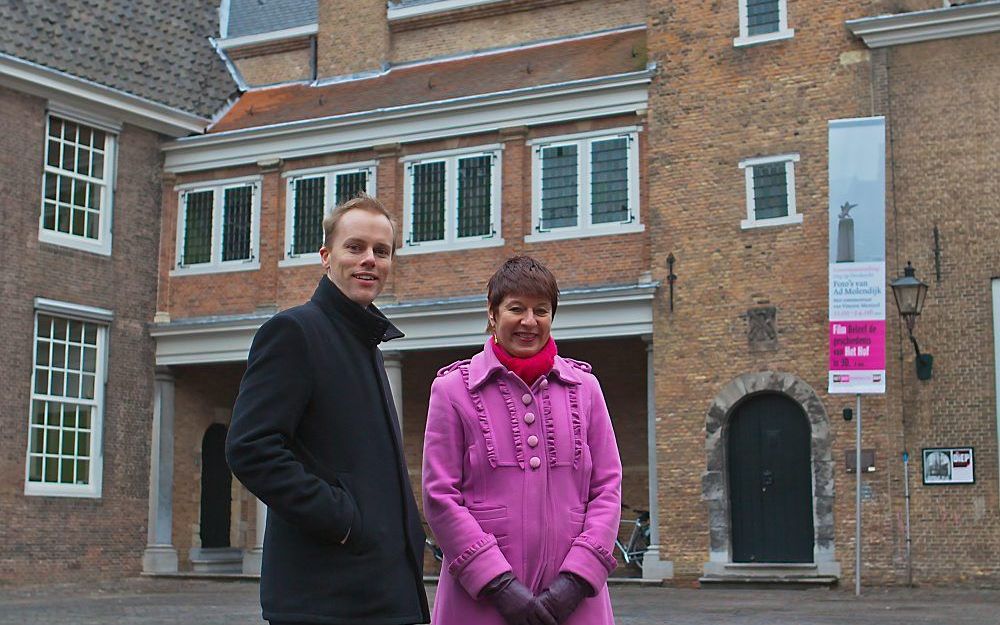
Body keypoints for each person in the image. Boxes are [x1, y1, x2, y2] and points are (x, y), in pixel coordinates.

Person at [226, 195, 430, 625]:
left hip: (384, 595)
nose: (369, 260)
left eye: (382, 251)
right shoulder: (294, 332)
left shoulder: (366, 341)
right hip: (327, 602)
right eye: (355, 247)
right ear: (326, 256)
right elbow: (250, 447)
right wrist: (345, 522)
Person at [422, 256, 622, 625]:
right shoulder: (452, 391)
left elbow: (607, 488)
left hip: (574, 605)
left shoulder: (586, 389)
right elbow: (440, 497)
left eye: (541, 311)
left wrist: (576, 581)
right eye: (516, 308)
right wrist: (498, 585)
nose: (529, 322)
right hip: (479, 603)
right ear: (493, 314)